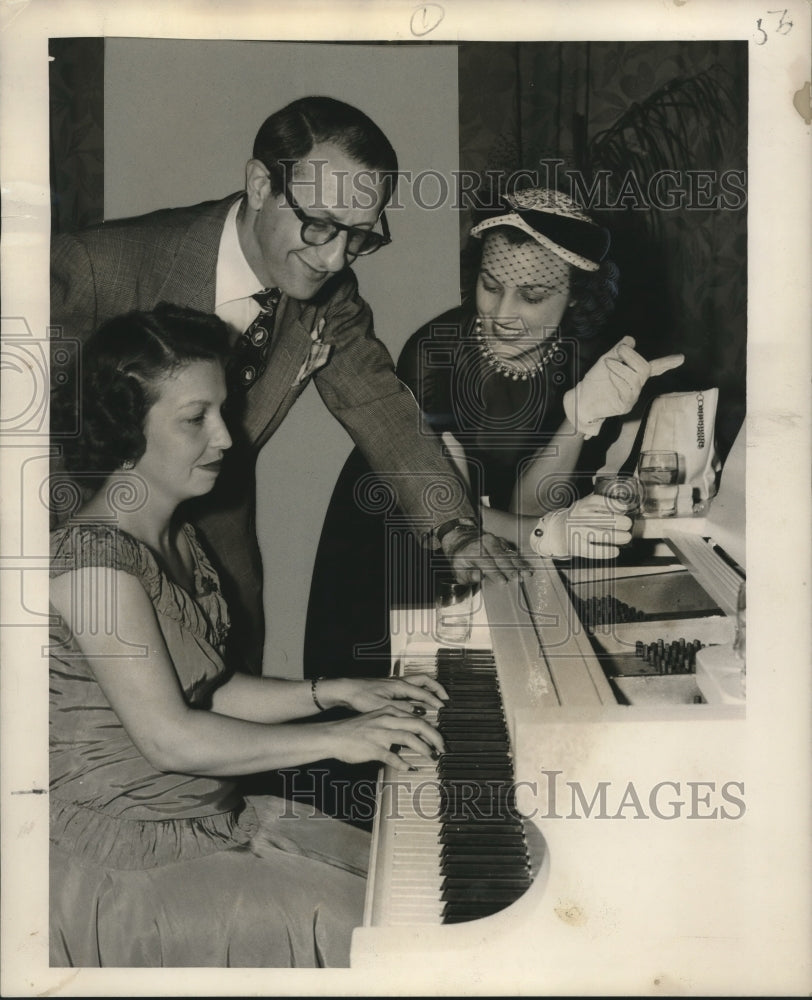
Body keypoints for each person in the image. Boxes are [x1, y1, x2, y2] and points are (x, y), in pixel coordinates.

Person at [50, 95, 525, 677]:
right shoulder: (95, 268)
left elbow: (381, 408)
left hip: (218, 552)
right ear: (258, 185)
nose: (332, 257)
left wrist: (455, 530)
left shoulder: (331, 299)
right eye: (319, 223)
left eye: (358, 236)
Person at [49, 304, 449, 968]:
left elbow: (211, 688)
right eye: (194, 419)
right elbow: (169, 736)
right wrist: (339, 739)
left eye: (223, 412)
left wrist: (336, 692)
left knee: (412, 885)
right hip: (129, 862)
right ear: (125, 429)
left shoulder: (175, 533)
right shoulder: (91, 564)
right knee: (386, 936)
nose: (227, 438)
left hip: (211, 819)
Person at [306, 187, 685, 680]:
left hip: (506, 547)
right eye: (491, 285)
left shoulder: (586, 358)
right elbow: (457, 512)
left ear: (575, 297)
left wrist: (579, 419)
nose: (503, 315)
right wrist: (546, 535)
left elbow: (532, 503)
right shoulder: (434, 355)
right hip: (404, 536)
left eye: (531, 296)